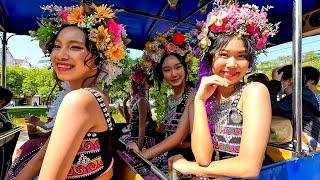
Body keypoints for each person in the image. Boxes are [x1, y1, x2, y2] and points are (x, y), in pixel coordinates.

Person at [6, 3, 129, 179]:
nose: (61, 55)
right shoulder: (95, 94)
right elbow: (42, 157)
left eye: (75, 47)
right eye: (57, 46)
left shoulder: (79, 100)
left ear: (98, 55)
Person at [169, 2, 279, 178]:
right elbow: (203, 158)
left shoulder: (254, 92)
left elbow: (249, 167)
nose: (232, 64)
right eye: (224, 55)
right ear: (210, 57)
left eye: (241, 56)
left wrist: (189, 167)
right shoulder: (202, 99)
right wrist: (199, 101)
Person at [127, 30, 196, 175]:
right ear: (162, 74)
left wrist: (142, 155)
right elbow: (167, 131)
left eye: (178, 67)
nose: (174, 74)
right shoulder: (169, 99)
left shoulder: (193, 95)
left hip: (187, 162)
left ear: (185, 67)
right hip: (170, 158)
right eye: (167, 70)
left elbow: (178, 136)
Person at [270, 65, 320, 142]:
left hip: (304, 144)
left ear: (290, 80)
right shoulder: (304, 94)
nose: (280, 83)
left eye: (281, 80)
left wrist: (274, 84)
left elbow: (268, 112)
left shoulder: (296, 98)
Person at [121, 65, 156, 149]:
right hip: (134, 136)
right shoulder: (139, 100)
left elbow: (142, 126)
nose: (149, 85)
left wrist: (139, 149)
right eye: (147, 82)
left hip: (139, 140)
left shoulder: (142, 101)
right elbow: (132, 121)